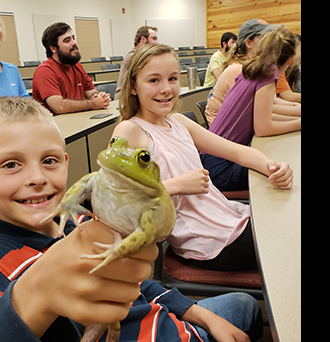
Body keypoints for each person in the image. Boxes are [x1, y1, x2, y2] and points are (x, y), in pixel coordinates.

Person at [0, 96, 264, 342]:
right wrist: (35, 295)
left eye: (49, 160)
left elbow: (136, 283)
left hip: (174, 328)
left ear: (66, 163)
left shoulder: (81, 222)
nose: (37, 177)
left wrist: (198, 313)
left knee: (245, 305)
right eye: (10, 164)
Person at [110, 43, 293, 275]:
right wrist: (175, 186)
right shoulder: (129, 131)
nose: (166, 89)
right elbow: (113, 199)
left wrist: (272, 167)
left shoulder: (177, 121)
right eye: (154, 80)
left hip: (228, 217)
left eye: (173, 78)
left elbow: (236, 151)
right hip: (209, 241)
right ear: (134, 86)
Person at [200, 27, 301, 192]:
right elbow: (263, 128)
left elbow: (267, 114)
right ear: (290, 59)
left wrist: (297, 121)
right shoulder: (268, 74)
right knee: (286, 172)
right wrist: (298, 124)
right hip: (220, 168)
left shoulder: (253, 69)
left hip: (212, 160)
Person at [204, 19, 301, 126]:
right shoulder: (239, 70)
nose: (271, 42)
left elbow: (272, 101)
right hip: (224, 130)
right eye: (265, 38)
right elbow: (264, 108)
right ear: (248, 43)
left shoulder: (255, 68)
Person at [31, 22, 111, 115]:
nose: (74, 43)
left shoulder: (77, 66)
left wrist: (100, 98)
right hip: (55, 126)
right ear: (53, 48)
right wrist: (93, 104)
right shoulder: (45, 71)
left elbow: (92, 93)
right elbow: (59, 107)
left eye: (73, 38)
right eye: (67, 40)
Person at [114, 25, 158, 100]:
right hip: (125, 100)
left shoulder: (145, 56)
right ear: (143, 39)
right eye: (154, 39)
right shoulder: (132, 57)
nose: (157, 42)